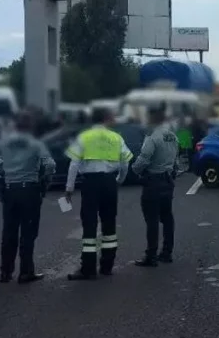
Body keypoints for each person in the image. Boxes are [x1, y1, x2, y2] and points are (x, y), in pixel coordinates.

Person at [0, 110, 56, 284]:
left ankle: (6, 272)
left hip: (10, 190)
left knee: (9, 233)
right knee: (28, 233)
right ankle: (26, 272)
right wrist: (44, 180)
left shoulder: (4, 143)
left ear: (15, 125)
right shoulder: (36, 144)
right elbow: (50, 164)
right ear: (30, 126)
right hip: (29, 191)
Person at [64, 108, 133, 280]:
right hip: (109, 182)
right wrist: (119, 180)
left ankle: (88, 268)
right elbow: (125, 163)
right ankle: (107, 266)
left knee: (89, 224)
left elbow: (74, 164)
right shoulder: (116, 137)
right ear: (106, 119)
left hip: (90, 183)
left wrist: (69, 188)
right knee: (109, 224)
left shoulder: (84, 137)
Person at [131, 106, 179, 267]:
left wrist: (135, 170)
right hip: (168, 180)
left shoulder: (152, 137)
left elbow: (144, 159)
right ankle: (167, 252)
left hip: (153, 181)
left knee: (152, 220)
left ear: (152, 119)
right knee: (167, 218)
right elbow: (176, 161)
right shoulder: (172, 136)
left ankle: (151, 256)